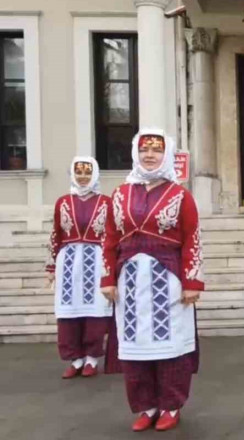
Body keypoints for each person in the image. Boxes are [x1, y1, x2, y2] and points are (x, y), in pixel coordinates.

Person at [101, 129, 204, 432]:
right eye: (144, 150)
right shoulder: (120, 194)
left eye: (156, 151)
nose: (149, 156)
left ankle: (170, 406)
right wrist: (107, 278)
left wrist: (192, 283)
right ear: (135, 153)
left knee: (170, 347)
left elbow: (192, 239)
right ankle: (145, 407)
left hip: (168, 279)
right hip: (129, 283)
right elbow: (109, 238)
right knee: (134, 348)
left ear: (167, 155)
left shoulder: (180, 196)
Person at [47, 156, 112, 379]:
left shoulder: (106, 202)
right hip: (69, 263)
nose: (83, 178)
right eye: (79, 173)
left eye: (87, 173)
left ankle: (92, 359)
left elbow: (113, 235)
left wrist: (113, 267)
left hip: (97, 261)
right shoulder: (63, 202)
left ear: (94, 174)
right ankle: (75, 359)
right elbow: (56, 234)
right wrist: (50, 267)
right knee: (69, 312)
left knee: (95, 310)